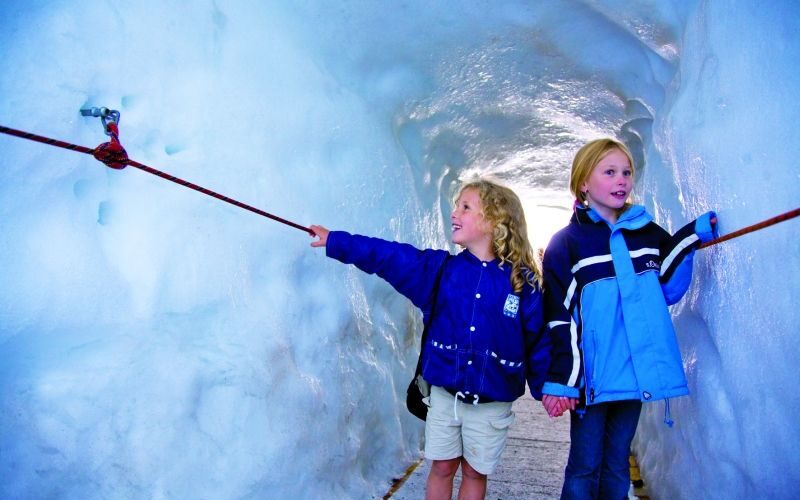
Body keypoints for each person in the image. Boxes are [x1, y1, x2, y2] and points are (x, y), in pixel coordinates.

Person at [310, 178, 548, 500]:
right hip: (445, 399)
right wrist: (336, 241)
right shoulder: (439, 271)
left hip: (491, 404)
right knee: (441, 467)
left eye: (466, 206)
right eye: (455, 205)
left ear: (496, 220)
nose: (454, 212)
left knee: (475, 473)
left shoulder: (523, 283)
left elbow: (539, 340)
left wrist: (549, 387)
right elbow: (388, 256)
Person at [540, 138, 717, 499]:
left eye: (626, 172)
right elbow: (560, 317)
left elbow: (667, 286)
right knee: (585, 465)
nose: (621, 180)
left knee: (617, 461)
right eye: (610, 172)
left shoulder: (647, 233)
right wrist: (563, 382)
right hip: (593, 378)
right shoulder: (568, 242)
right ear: (584, 183)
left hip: (634, 373)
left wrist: (690, 237)